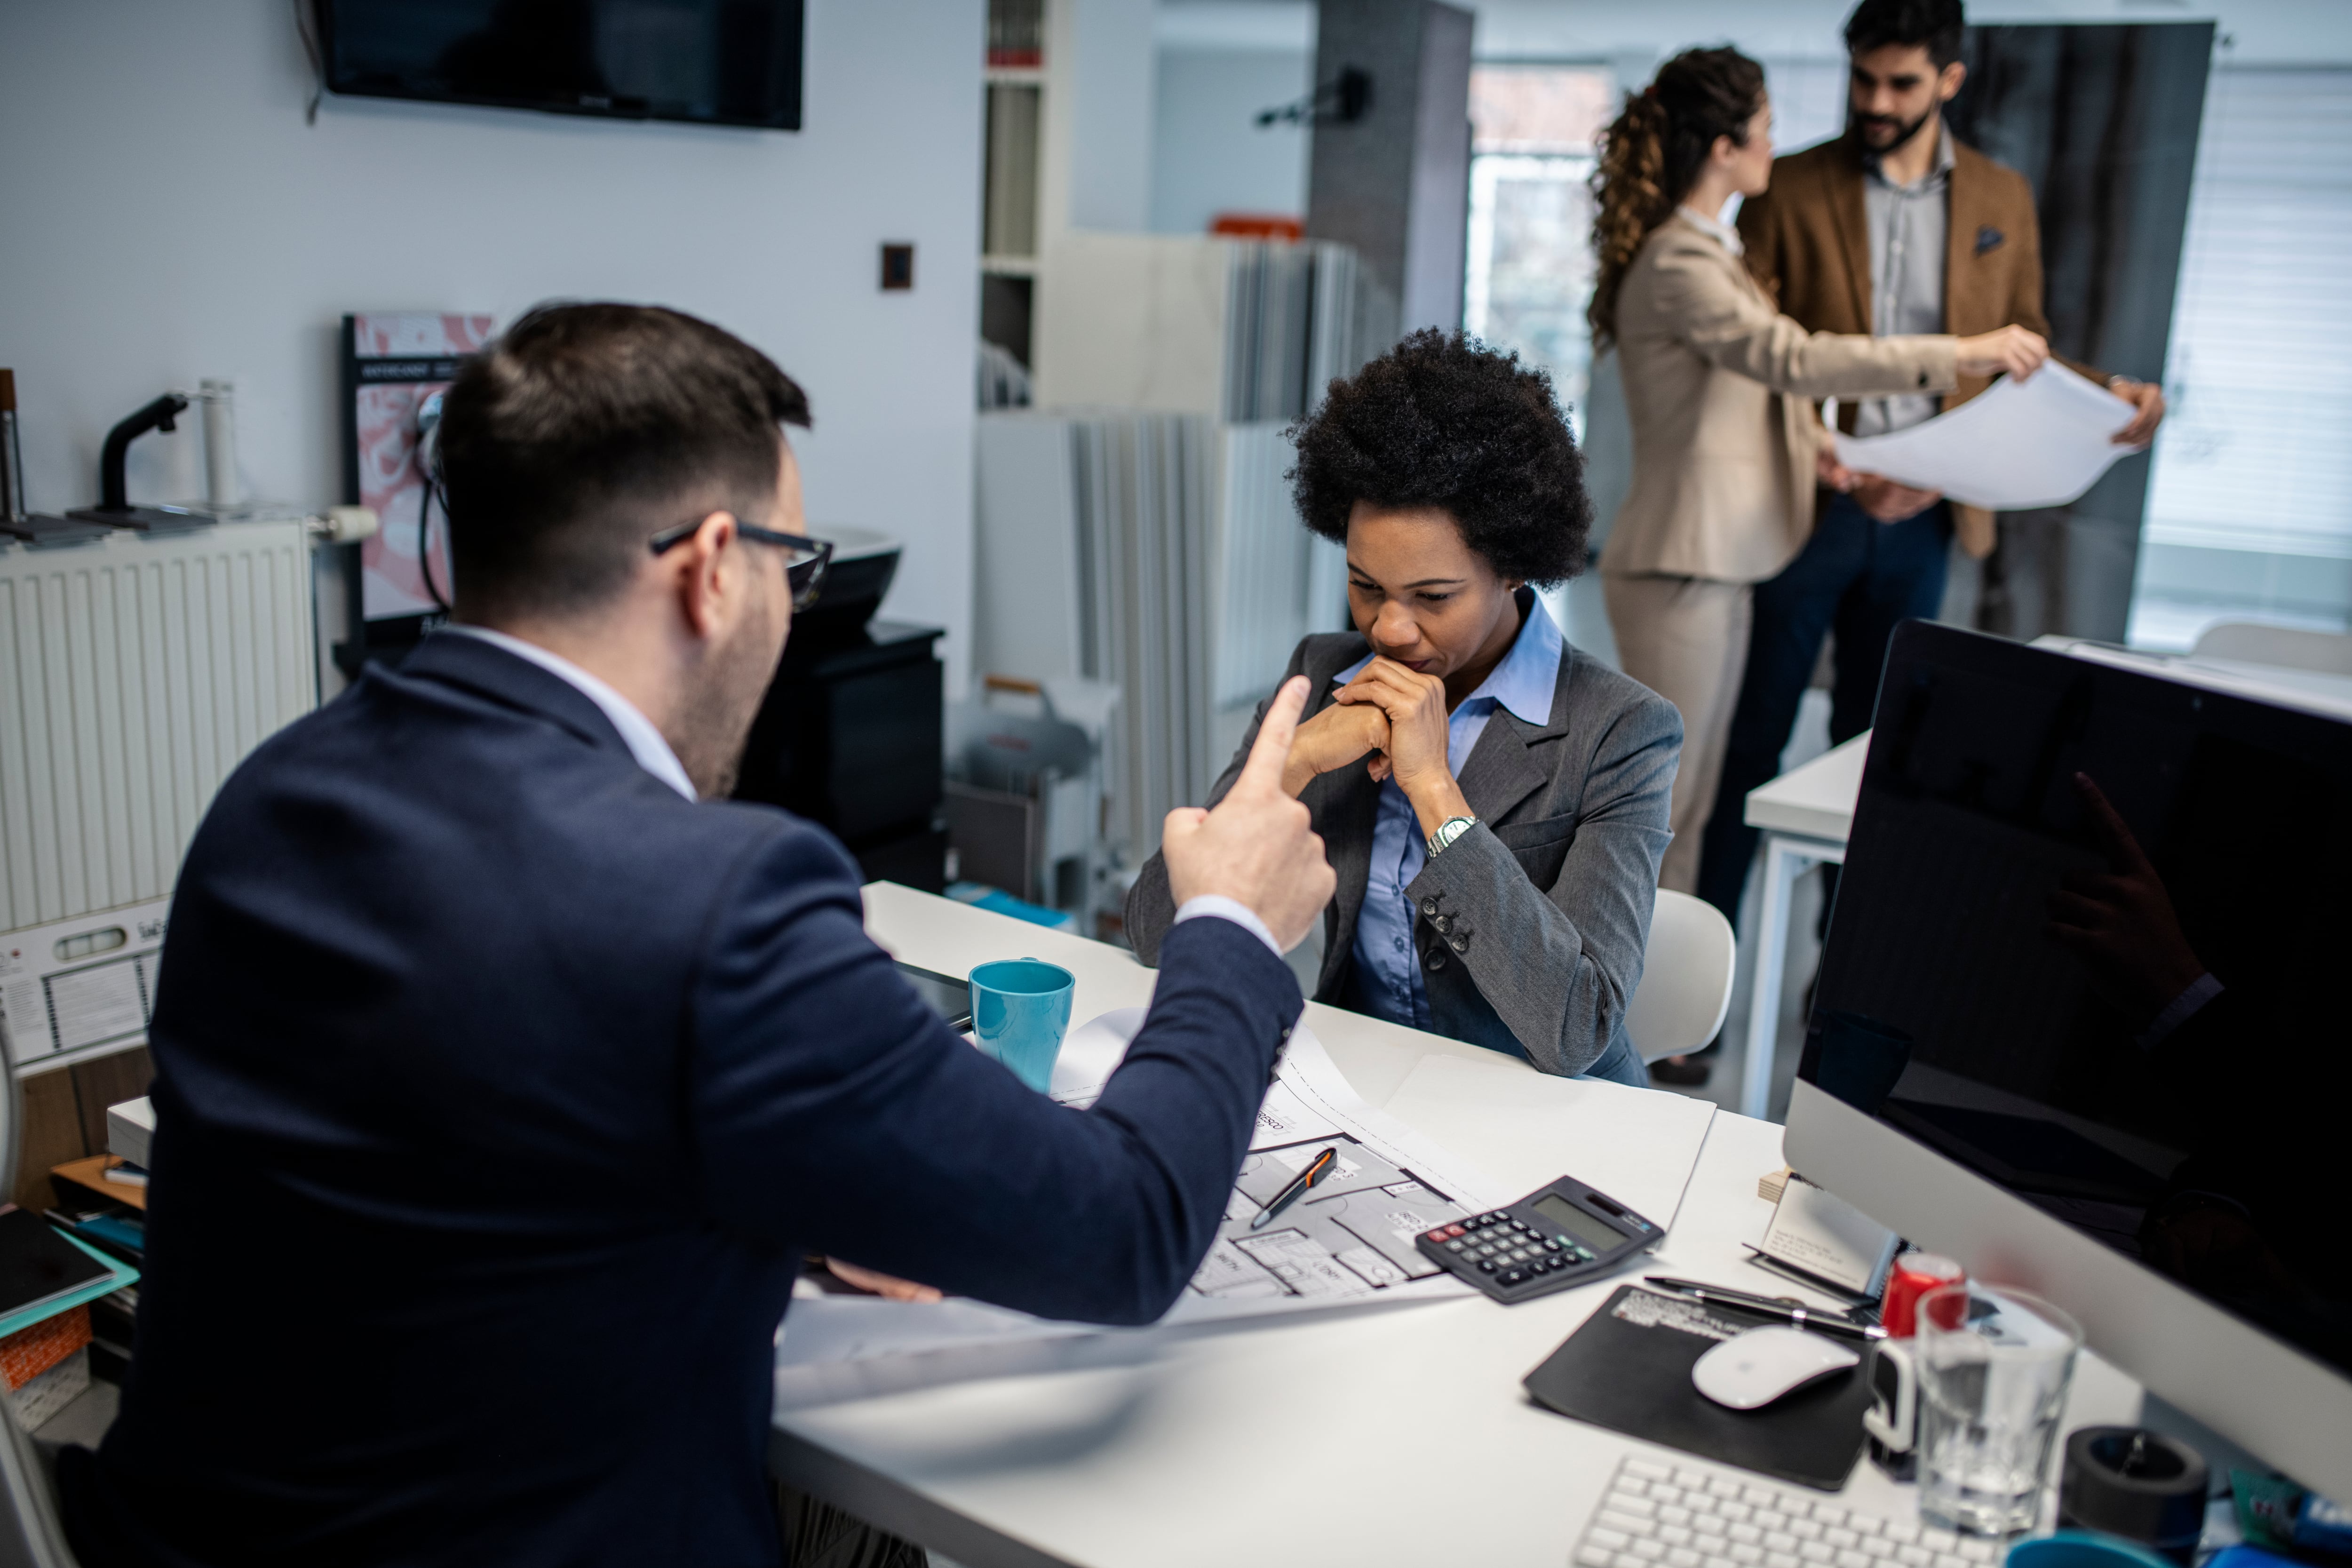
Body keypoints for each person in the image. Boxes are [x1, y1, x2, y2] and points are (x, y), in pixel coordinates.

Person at [56, 303, 1336, 1568]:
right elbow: (1125, 1228)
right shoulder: (718, 901)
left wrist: (799, 1179)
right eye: (793, 568)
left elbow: (478, 1135)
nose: (789, 608)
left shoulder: (271, 800)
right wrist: (1229, 921)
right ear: (715, 567)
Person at [1696, 0, 2168, 928]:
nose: (1876, 101)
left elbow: (2022, 348)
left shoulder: (2002, 196)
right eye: (1863, 78)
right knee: (1752, 736)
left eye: (1901, 83)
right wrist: (1833, 460)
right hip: (1809, 502)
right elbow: (1756, 355)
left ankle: (1838, 969)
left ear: (1950, 79)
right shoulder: (1789, 186)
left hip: (1931, 516)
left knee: (1876, 752)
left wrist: (2112, 395)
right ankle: (1705, 957)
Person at [1127, 330, 1676, 1086]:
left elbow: (1579, 1025)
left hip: (1542, 1108)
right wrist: (1292, 762)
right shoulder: (1322, 674)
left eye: (1433, 597)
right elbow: (1154, 931)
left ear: (1515, 567)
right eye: (1366, 586)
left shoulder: (1620, 729)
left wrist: (1435, 792)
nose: (1388, 629)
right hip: (1369, 1091)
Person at [1591, 44, 2051, 914]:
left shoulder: (1714, 252)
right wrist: (1960, 353)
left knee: (1691, 807)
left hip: (1720, 563)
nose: (1776, 143)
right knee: (1662, 813)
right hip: (1680, 565)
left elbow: (1748, 398)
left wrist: (1821, 451)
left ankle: (1669, 992)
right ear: (1724, 147)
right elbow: (1792, 358)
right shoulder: (1681, 261)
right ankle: (1616, 987)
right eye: (1765, 128)